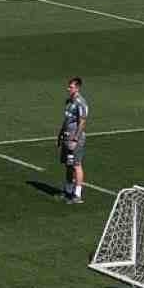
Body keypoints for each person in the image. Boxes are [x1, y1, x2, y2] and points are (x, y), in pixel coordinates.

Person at [59, 76, 88, 204]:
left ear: (77, 88)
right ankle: (68, 191)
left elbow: (82, 122)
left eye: (71, 87)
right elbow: (66, 120)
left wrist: (75, 138)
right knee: (68, 164)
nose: (68, 88)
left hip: (74, 137)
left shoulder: (81, 103)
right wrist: (60, 134)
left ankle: (77, 194)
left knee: (76, 164)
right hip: (66, 136)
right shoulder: (69, 101)